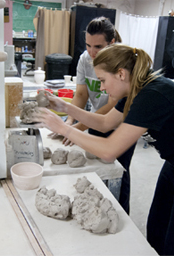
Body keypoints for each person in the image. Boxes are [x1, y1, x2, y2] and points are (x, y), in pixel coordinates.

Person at [34, 44, 174, 255]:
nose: (101, 88)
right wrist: (65, 107)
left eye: (102, 80)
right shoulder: (134, 91)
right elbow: (104, 123)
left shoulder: (152, 94)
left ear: (120, 73)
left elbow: (109, 150)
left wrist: (63, 128)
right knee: (156, 229)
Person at [51, 17, 136, 214]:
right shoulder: (85, 59)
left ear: (111, 43)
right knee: (97, 171)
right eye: (88, 45)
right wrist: (71, 120)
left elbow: (113, 106)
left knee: (118, 171)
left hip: (121, 126)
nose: (91, 52)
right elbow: (81, 94)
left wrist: (76, 129)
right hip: (97, 121)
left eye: (98, 46)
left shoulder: (122, 64)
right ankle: (98, 213)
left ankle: (121, 216)